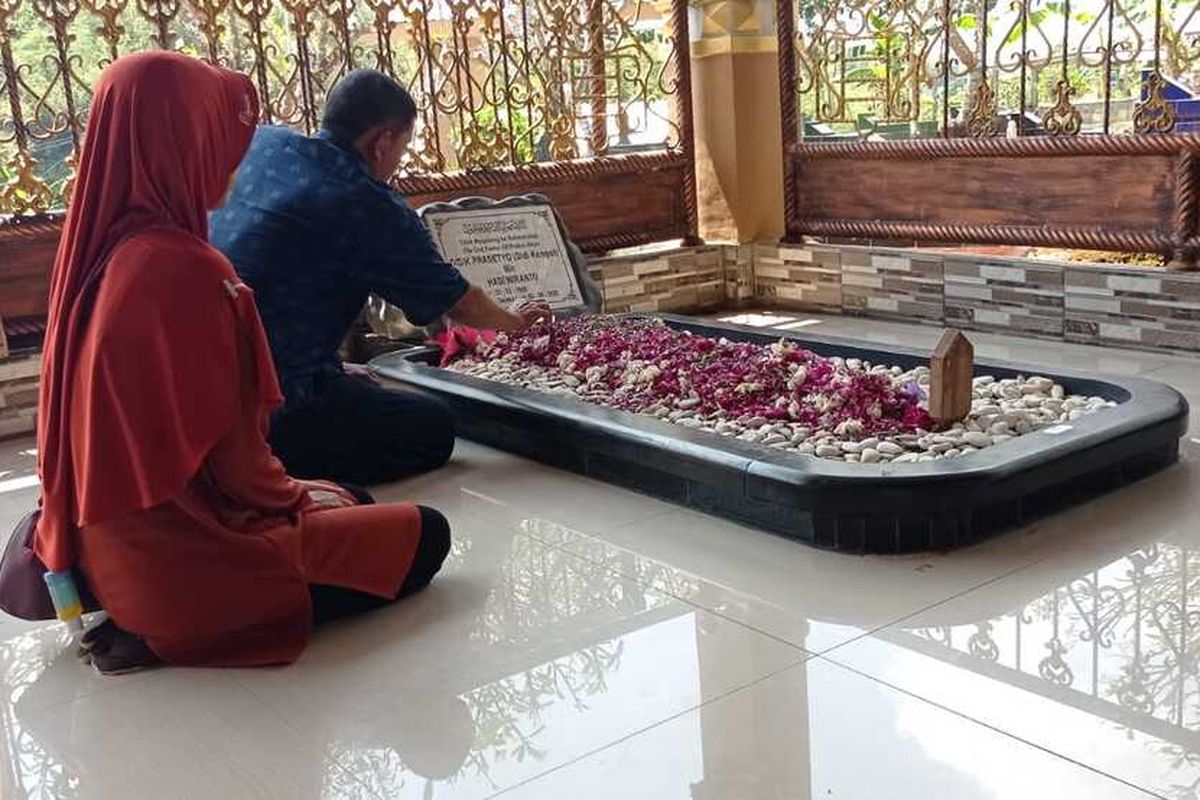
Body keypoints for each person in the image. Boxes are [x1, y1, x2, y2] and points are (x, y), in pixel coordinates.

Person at [34, 51, 450, 674]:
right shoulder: (186, 271)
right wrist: (299, 497)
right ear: (183, 141)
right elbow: (237, 461)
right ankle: (161, 627)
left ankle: (131, 604)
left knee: (354, 497)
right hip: (180, 566)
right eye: (218, 133)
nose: (234, 153)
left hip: (91, 543)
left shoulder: (100, 246)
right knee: (424, 532)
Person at [211, 69, 549, 487]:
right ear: (381, 141)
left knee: (365, 385)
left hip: (201, 386)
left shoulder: (263, 144)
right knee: (432, 427)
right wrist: (515, 323)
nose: (398, 161)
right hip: (270, 408)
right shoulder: (364, 201)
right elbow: (457, 300)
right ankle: (272, 469)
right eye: (403, 147)